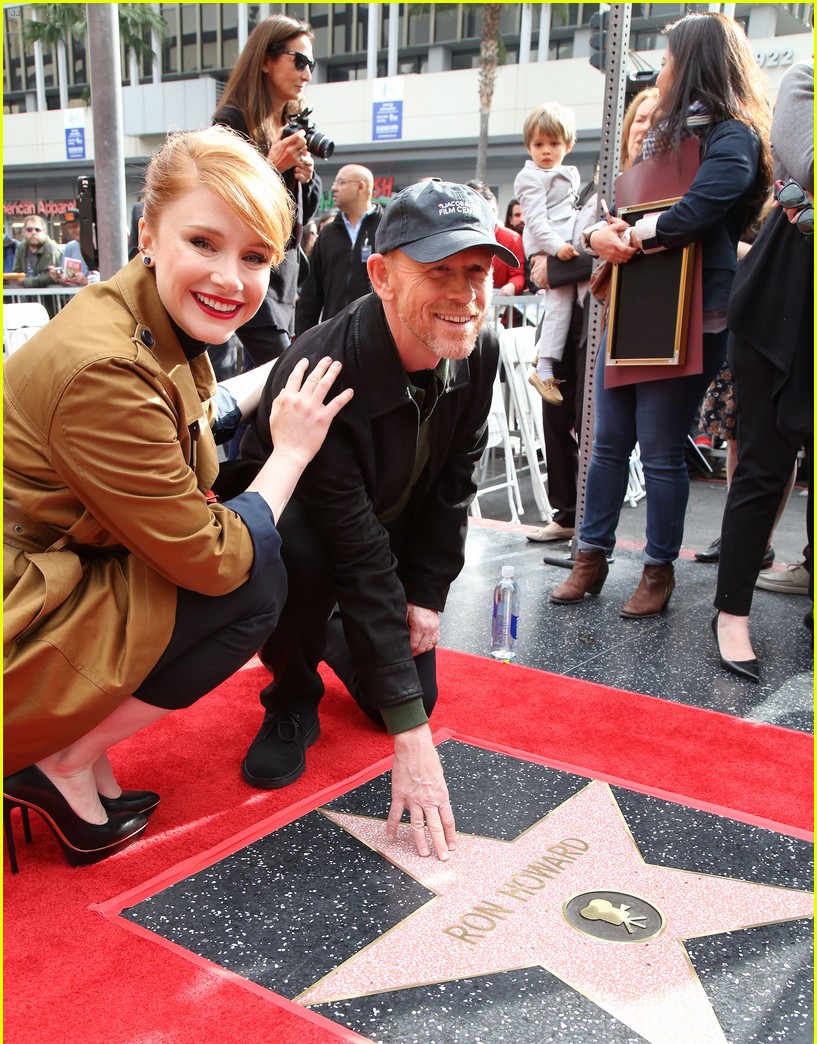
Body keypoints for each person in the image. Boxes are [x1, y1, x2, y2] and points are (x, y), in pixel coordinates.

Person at [3, 126, 352, 869]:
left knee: (260, 552)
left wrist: (264, 385)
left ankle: (77, 755)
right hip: (17, 611)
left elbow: (176, 437)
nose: (231, 278)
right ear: (148, 235)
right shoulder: (104, 366)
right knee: (252, 582)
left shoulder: (138, 312)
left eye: (254, 256)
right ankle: (56, 760)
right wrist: (288, 451)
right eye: (204, 242)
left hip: (52, 567)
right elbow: (211, 560)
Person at [238, 178, 517, 862]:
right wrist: (412, 742)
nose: (464, 294)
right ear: (381, 276)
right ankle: (292, 692)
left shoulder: (476, 348)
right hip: (292, 531)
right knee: (300, 550)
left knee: (402, 695)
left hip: (382, 525)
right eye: (439, 272)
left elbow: (455, 488)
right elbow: (354, 552)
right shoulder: (324, 368)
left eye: (476, 272)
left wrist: (424, 594)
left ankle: (341, 637)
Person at [550, 11, 772, 618]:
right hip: (633, 306)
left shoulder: (735, 137)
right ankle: (589, 559)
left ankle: (657, 571)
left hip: (693, 311)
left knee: (661, 449)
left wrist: (635, 234)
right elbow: (610, 208)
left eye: (671, 57)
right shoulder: (659, 138)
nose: (662, 68)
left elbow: (701, 207)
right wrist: (601, 236)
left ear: (696, 61)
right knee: (606, 444)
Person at [711, 54, 813, 680]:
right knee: (765, 460)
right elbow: (806, 162)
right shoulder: (805, 77)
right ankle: (731, 612)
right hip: (784, 294)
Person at [525, 89, 660, 546]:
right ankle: (566, 513)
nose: (643, 127)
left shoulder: (652, 184)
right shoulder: (598, 181)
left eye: (652, 119)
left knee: (598, 432)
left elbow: (613, 253)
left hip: (609, 324)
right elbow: (563, 246)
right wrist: (541, 266)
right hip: (566, 323)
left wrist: (552, 267)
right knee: (555, 420)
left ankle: (590, 528)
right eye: (638, 118)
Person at [213, 13, 322, 366]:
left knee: (266, 381)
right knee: (283, 368)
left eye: (311, 64)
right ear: (265, 60)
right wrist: (272, 167)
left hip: (284, 273)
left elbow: (300, 215)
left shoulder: (293, 125)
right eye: (299, 61)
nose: (307, 74)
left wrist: (305, 177)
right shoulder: (231, 122)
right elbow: (220, 203)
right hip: (244, 269)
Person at [513, 102, 581, 405]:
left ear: (567, 145)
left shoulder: (566, 173)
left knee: (561, 306)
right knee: (558, 306)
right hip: (551, 250)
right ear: (529, 147)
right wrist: (557, 248)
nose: (546, 151)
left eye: (554, 143)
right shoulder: (530, 177)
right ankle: (544, 367)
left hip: (562, 249)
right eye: (539, 144)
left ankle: (546, 363)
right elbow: (536, 223)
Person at [295, 163, 382, 334]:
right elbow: (311, 293)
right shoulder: (327, 234)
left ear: (360, 187)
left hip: (376, 334)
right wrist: (303, 336)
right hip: (334, 335)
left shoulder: (386, 229)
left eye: (341, 182)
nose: (334, 188)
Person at [466, 179, 525, 298]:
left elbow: (518, 274)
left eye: (491, 211)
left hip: (502, 310)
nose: (488, 216)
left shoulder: (512, 238)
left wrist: (512, 286)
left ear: (498, 211)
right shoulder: (463, 237)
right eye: (483, 211)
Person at [12, 214, 63, 287]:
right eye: (29, 229)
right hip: (26, 296)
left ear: (44, 232)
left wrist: (24, 282)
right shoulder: (21, 248)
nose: (33, 232)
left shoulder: (51, 248)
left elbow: (53, 277)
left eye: (37, 230)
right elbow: (17, 274)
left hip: (48, 296)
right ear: (24, 232)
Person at [48, 208, 90, 287]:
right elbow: (67, 279)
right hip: (75, 297)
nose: (72, 230)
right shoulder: (70, 247)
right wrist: (58, 277)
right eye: (69, 227)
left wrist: (87, 282)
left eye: (75, 226)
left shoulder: (99, 246)